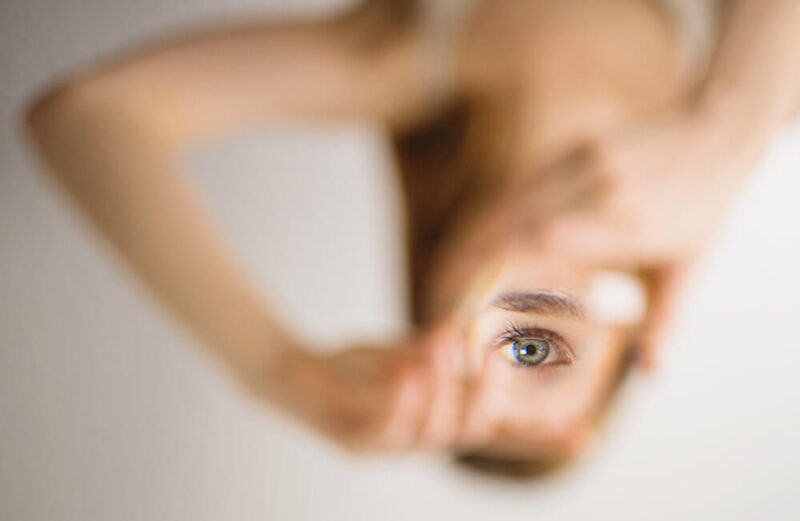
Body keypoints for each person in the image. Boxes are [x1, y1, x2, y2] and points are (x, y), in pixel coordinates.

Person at [24, 0, 800, 468]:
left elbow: (85, 117)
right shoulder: (759, 80)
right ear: (649, 307)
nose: (497, 359)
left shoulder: (403, 51)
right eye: (535, 352)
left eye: (460, 372)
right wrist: (730, 130)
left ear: (436, 270)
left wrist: (278, 368)